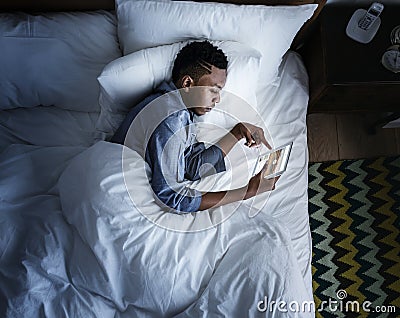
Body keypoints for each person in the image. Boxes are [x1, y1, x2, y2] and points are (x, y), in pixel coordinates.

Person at [111, 41, 279, 213]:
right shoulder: (172, 118)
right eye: (214, 90)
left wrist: (237, 132)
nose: (218, 99)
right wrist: (248, 191)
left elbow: (191, 167)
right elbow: (172, 198)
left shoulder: (174, 107)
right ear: (188, 84)